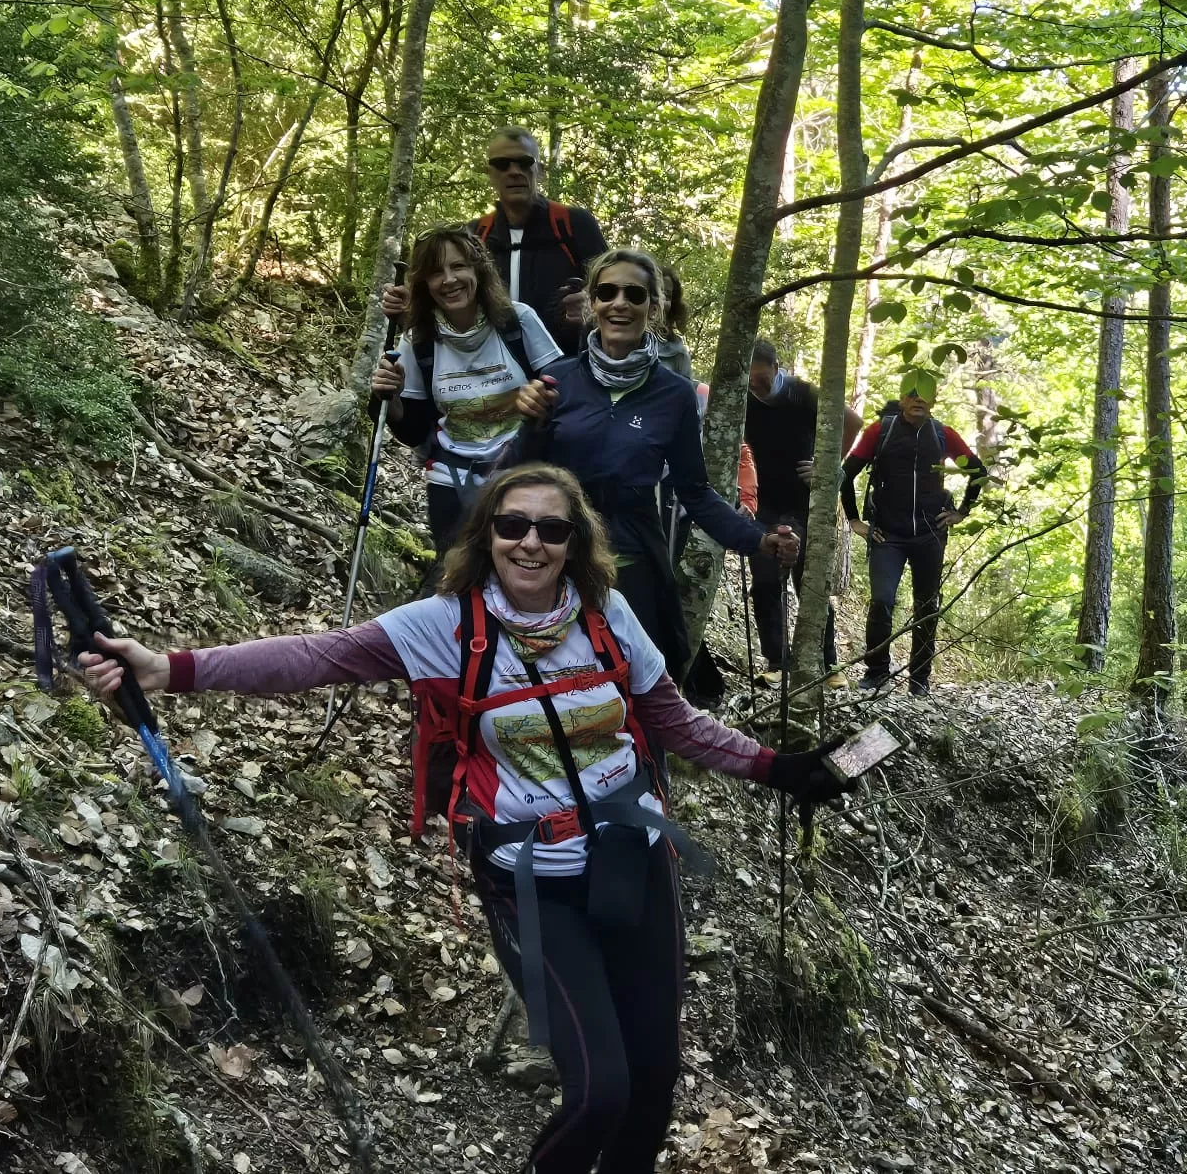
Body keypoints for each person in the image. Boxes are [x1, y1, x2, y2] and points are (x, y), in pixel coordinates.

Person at [72, 463, 848, 1174]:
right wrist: (170, 669)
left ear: (575, 543)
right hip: (531, 885)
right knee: (598, 1093)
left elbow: (673, 721)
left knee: (654, 1080)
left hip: (634, 861)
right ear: (486, 535)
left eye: (552, 528)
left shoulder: (607, 615)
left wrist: (778, 768)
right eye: (513, 524)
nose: (531, 542)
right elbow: (314, 657)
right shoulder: (443, 626)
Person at [508, 249, 798, 697]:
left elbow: (695, 491)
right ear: (592, 303)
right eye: (607, 292)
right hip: (553, 548)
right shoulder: (556, 381)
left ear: (655, 307)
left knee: (629, 682)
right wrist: (531, 423)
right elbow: (517, 476)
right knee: (546, 678)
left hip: (631, 555)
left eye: (634, 294)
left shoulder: (675, 395)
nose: (619, 303)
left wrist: (758, 540)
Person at [369, 225, 562, 564]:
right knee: (459, 571)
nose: (449, 280)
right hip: (450, 476)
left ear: (478, 269)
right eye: (435, 272)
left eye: (458, 266)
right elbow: (413, 430)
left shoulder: (517, 321)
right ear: (424, 283)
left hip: (523, 468)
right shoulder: (419, 340)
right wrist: (393, 398)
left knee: (521, 568)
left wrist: (542, 399)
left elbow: (562, 387)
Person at [384, 127, 607, 354]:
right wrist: (409, 311)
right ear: (489, 173)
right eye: (502, 164)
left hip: (567, 362)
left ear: (539, 171)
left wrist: (588, 309)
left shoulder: (573, 224)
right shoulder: (474, 234)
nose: (514, 171)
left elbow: (612, 292)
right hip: (493, 365)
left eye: (524, 163)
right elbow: (449, 306)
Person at [842, 384, 986, 695]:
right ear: (902, 400)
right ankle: (877, 672)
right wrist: (854, 520)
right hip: (887, 535)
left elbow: (978, 470)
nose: (918, 400)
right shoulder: (880, 431)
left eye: (924, 396)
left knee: (926, 606)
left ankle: (919, 679)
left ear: (933, 401)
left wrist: (962, 512)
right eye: (912, 395)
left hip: (930, 534)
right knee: (882, 601)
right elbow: (846, 473)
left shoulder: (943, 434)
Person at [743, 339, 860, 680]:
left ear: (776, 369)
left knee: (809, 580)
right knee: (765, 578)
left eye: (762, 379)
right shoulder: (742, 397)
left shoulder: (802, 393)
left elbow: (852, 421)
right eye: (750, 380)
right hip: (762, 501)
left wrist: (828, 465)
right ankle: (777, 662)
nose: (756, 386)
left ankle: (826, 664)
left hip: (804, 502)